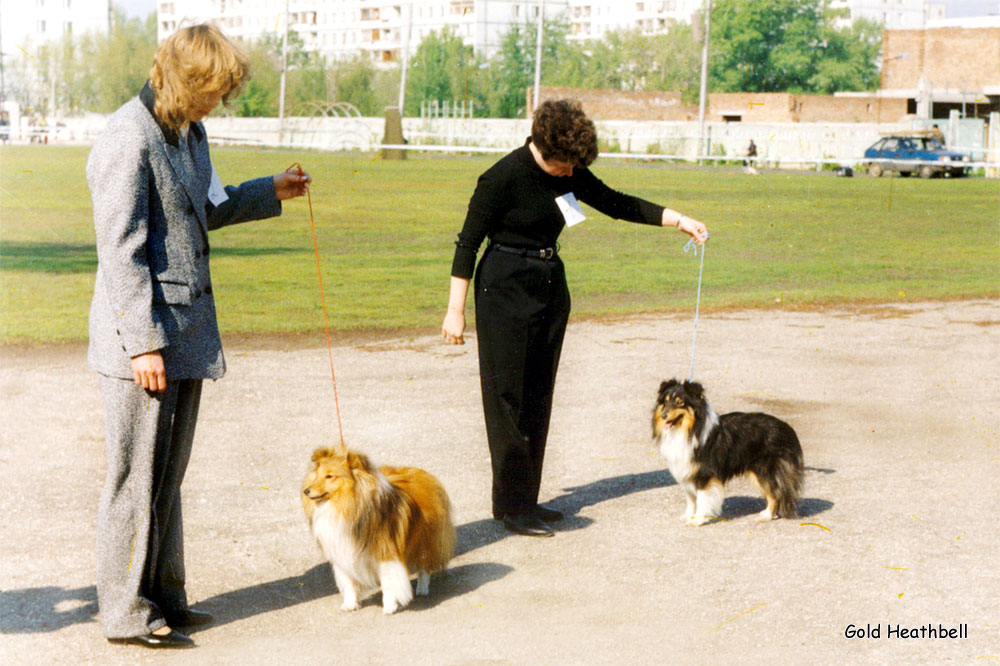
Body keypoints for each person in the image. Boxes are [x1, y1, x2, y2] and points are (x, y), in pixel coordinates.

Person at [87, 24, 311, 649]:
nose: (218, 102)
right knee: (133, 479)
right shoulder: (126, 140)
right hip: (145, 341)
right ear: (182, 79)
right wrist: (141, 343)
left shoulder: (190, 132)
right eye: (211, 90)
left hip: (185, 332)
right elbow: (121, 252)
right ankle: (126, 613)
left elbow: (205, 208)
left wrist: (272, 190)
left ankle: (164, 596)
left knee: (167, 476)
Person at [441, 99, 708, 538]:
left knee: (538, 395)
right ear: (545, 150)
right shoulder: (500, 178)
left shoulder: (570, 170)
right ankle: (511, 506)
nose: (571, 175)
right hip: (503, 287)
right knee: (506, 398)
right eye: (566, 166)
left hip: (548, 285)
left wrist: (678, 220)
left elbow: (616, 202)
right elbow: (467, 243)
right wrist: (455, 311)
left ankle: (524, 501)